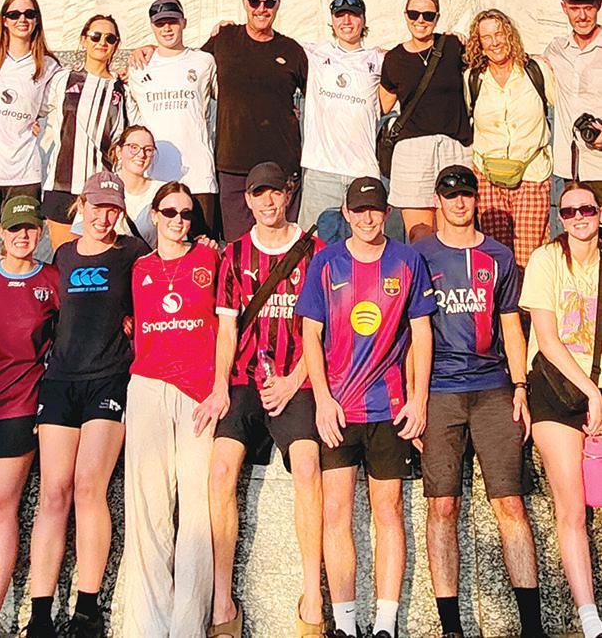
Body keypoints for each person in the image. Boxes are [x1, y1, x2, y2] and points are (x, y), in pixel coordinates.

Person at [298, 176, 434, 638]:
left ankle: (386, 624)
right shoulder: (326, 262)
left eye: (374, 209)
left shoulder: (407, 261)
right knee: (336, 511)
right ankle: (345, 623)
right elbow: (311, 335)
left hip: (388, 408)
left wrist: (418, 399)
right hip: (338, 409)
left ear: (387, 212)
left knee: (388, 510)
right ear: (346, 213)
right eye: (358, 211)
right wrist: (321, 399)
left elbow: (421, 334)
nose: (367, 218)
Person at [196, 161, 325, 638]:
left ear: (288, 195)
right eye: (259, 194)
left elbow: (322, 332)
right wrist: (219, 386)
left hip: (297, 379)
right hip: (246, 380)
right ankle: (222, 600)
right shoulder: (234, 255)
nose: (268, 202)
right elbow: (227, 330)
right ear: (247, 200)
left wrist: (293, 380)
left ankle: (312, 597)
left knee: (307, 467)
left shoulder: (315, 252)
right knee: (220, 471)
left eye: (275, 193)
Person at [419, 166, 546, 638]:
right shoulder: (421, 255)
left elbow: (511, 324)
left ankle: (531, 626)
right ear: (437, 200)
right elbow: (412, 334)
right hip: (440, 390)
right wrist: (413, 399)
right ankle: (451, 628)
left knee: (511, 504)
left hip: (493, 387)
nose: (459, 203)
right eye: (450, 195)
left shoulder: (499, 256)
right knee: (442, 506)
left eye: (466, 195)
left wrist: (520, 387)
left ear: (476, 200)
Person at [25, 171, 146, 638]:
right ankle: (40, 614)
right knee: (54, 492)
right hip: (61, 380)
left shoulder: (133, 252)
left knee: (89, 487)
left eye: (113, 209)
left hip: (108, 378)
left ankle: (87, 610)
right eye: (97, 207)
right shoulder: (64, 255)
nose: (104, 217)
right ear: (81, 206)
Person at [124, 181, 219, 638]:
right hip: (148, 386)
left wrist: (220, 388)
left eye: (186, 214)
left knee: (197, 510)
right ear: (155, 216)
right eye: (170, 212)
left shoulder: (211, 259)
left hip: (199, 392)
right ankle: (148, 626)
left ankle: (187, 627)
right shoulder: (138, 267)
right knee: (148, 510)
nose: (178, 221)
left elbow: (228, 325)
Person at [520, 182, 602, 638]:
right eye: (568, 211)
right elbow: (548, 341)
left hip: (598, 388)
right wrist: (593, 393)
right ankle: (589, 617)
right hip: (557, 389)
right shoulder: (546, 260)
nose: (578, 218)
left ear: (600, 214)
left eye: (586, 209)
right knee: (570, 508)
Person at [203, 0, 307, 242]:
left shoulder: (292, 50)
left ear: (277, 5)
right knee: (239, 249)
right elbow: (186, 66)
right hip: (234, 166)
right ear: (245, 4)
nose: (261, 9)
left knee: (283, 247)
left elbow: (319, 96)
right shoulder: (224, 39)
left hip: (281, 166)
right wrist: (150, 52)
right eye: (255, 2)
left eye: (268, 3)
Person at [0, 194, 59, 621]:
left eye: (30, 228)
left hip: (19, 405)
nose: (23, 235)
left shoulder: (51, 279)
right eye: (14, 228)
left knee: (4, 504)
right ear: (1, 233)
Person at [464, 9, 554, 273]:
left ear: (510, 35)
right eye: (486, 37)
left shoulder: (536, 71)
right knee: (496, 258)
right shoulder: (473, 78)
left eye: (499, 34)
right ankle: (501, 302)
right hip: (488, 177)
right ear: (479, 43)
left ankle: (528, 302)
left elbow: (568, 104)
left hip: (532, 174)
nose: (494, 43)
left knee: (529, 257)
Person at [379, 0, 472, 241]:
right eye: (414, 14)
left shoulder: (453, 46)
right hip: (413, 150)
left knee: (453, 233)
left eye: (428, 15)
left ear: (437, 18)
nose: (420, 20)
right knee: (419, 235)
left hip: (453, 146)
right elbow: (383, 104)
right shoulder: (394, 58)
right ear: (406, 16)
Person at [127, 0, 218, 236]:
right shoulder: (138, 67)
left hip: (198, 176)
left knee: (202, 248)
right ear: (152, 27)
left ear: (184, 22)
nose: (167, 28)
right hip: (155, 179)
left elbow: (230, 100)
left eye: (172, 22)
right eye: (160, 23)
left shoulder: (204, 61)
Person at [299, 0, 384, 241]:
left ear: (363, 20)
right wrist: (227, 28)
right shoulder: (314, 53)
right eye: (340, 15)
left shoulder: (379, 59)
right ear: (332, 21)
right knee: (312, 245)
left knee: (367, 243)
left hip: (363, 170)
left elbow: (414, 57)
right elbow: (269, 41)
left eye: (353, 15)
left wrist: (450, 39)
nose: (346, 21)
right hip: (321, 172)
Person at [42, 15, 126, 249]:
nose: (102, 43)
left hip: (100, 190)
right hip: (62, 186)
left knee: (98, 260)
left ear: (116, 45)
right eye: (95, 36)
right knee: (64, 260)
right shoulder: (62, 79)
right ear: (83, 40)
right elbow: (35, 108)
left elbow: (123, 138)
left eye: (109, 38)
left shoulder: (122, 88)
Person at [545, 0, 602, 213]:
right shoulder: (555, 49)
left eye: (588, 8)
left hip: (599, 166)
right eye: (575, 8)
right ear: (564, 7)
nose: (582, 16)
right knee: (573, 233)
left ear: (599, 6)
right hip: (569, 171)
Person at [0, 0, 59, 209]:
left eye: (29, 14)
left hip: (24, 175)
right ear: (4, 21)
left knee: (22, 232)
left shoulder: (49, 66)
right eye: (14, 14)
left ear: (37, 19)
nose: (22, 19)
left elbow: (56, 107)